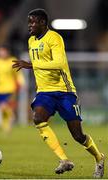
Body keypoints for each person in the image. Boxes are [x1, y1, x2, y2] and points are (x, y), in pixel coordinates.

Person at [12, 9, 105, 178]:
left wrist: (33, 65)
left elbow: (59, 63)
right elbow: (40, 64)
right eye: (28, 22)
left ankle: (99, 158)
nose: (29, 26)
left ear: (42, 23)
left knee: (78, 136)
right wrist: (35, 66)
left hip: (64, 91)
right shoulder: (31, 40)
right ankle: (64, 160)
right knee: (38, 118)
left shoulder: (54, 38)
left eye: (33, 22)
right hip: (44, 92)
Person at [0, 44, 25, 133]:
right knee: (3, 109)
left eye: (3, 51)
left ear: (7, 52)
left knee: (5, 106)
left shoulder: (12, 61)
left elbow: (18, 74)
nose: (1, 53)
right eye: (0, 51)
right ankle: (7, 126)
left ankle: (7, 125)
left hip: (10, 88)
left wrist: (22, 83)